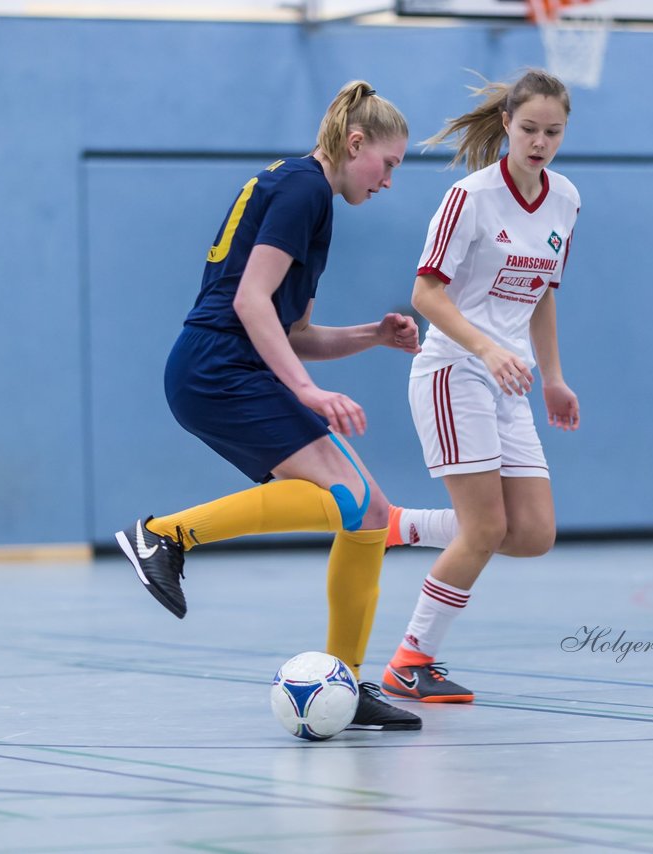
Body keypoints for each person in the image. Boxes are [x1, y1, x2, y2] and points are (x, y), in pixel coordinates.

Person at [112, 81, 421, 731]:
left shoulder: (311, 198)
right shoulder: (305, 188)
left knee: (368, 515)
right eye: (389, 163)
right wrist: (306, 391)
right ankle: (164, 534)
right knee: (347, 501)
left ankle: (348, 678)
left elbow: (295, 332)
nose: (390, 179)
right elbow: (252, 303)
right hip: (218, 366)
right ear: (355, 143)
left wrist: (372, 334)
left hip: (226, 365)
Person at [377, 69, 582, 704]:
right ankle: (410, 660)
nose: (540, 141)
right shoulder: (469, 198)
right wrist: (487, 347)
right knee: (486, 527)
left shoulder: (566, 200)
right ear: (506, 126)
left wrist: (552, 378)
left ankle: (402, 526)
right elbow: (423, 294)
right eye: (529, 129)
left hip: (511, 380)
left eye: (552, 132)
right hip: (453, 370)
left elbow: (543, 295)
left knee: (534, 533)